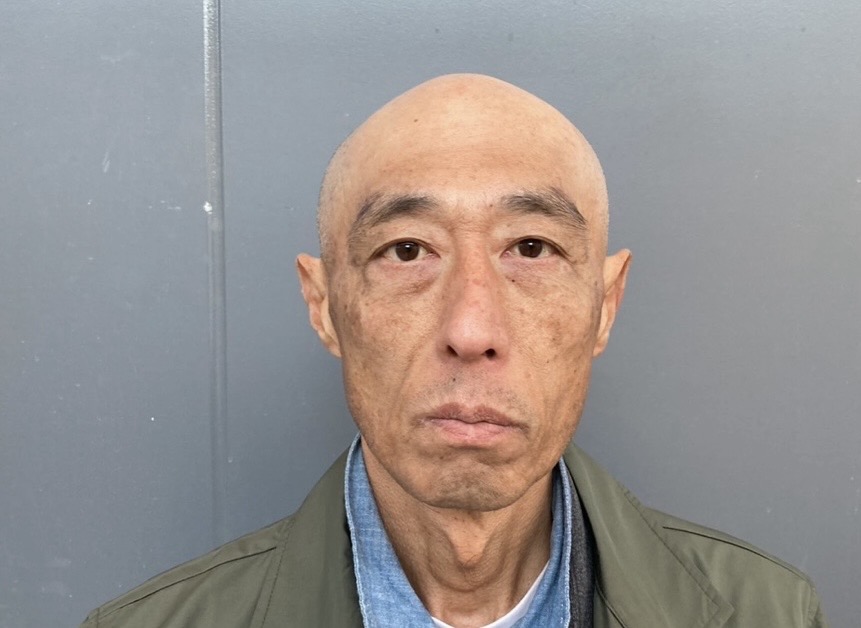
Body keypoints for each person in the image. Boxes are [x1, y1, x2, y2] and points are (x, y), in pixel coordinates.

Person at [81, 74, 826, 628]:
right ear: (324, 306)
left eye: (530, 248)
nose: (471, 330)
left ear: (605, 304)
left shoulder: (769, 614)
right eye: (407, 250)